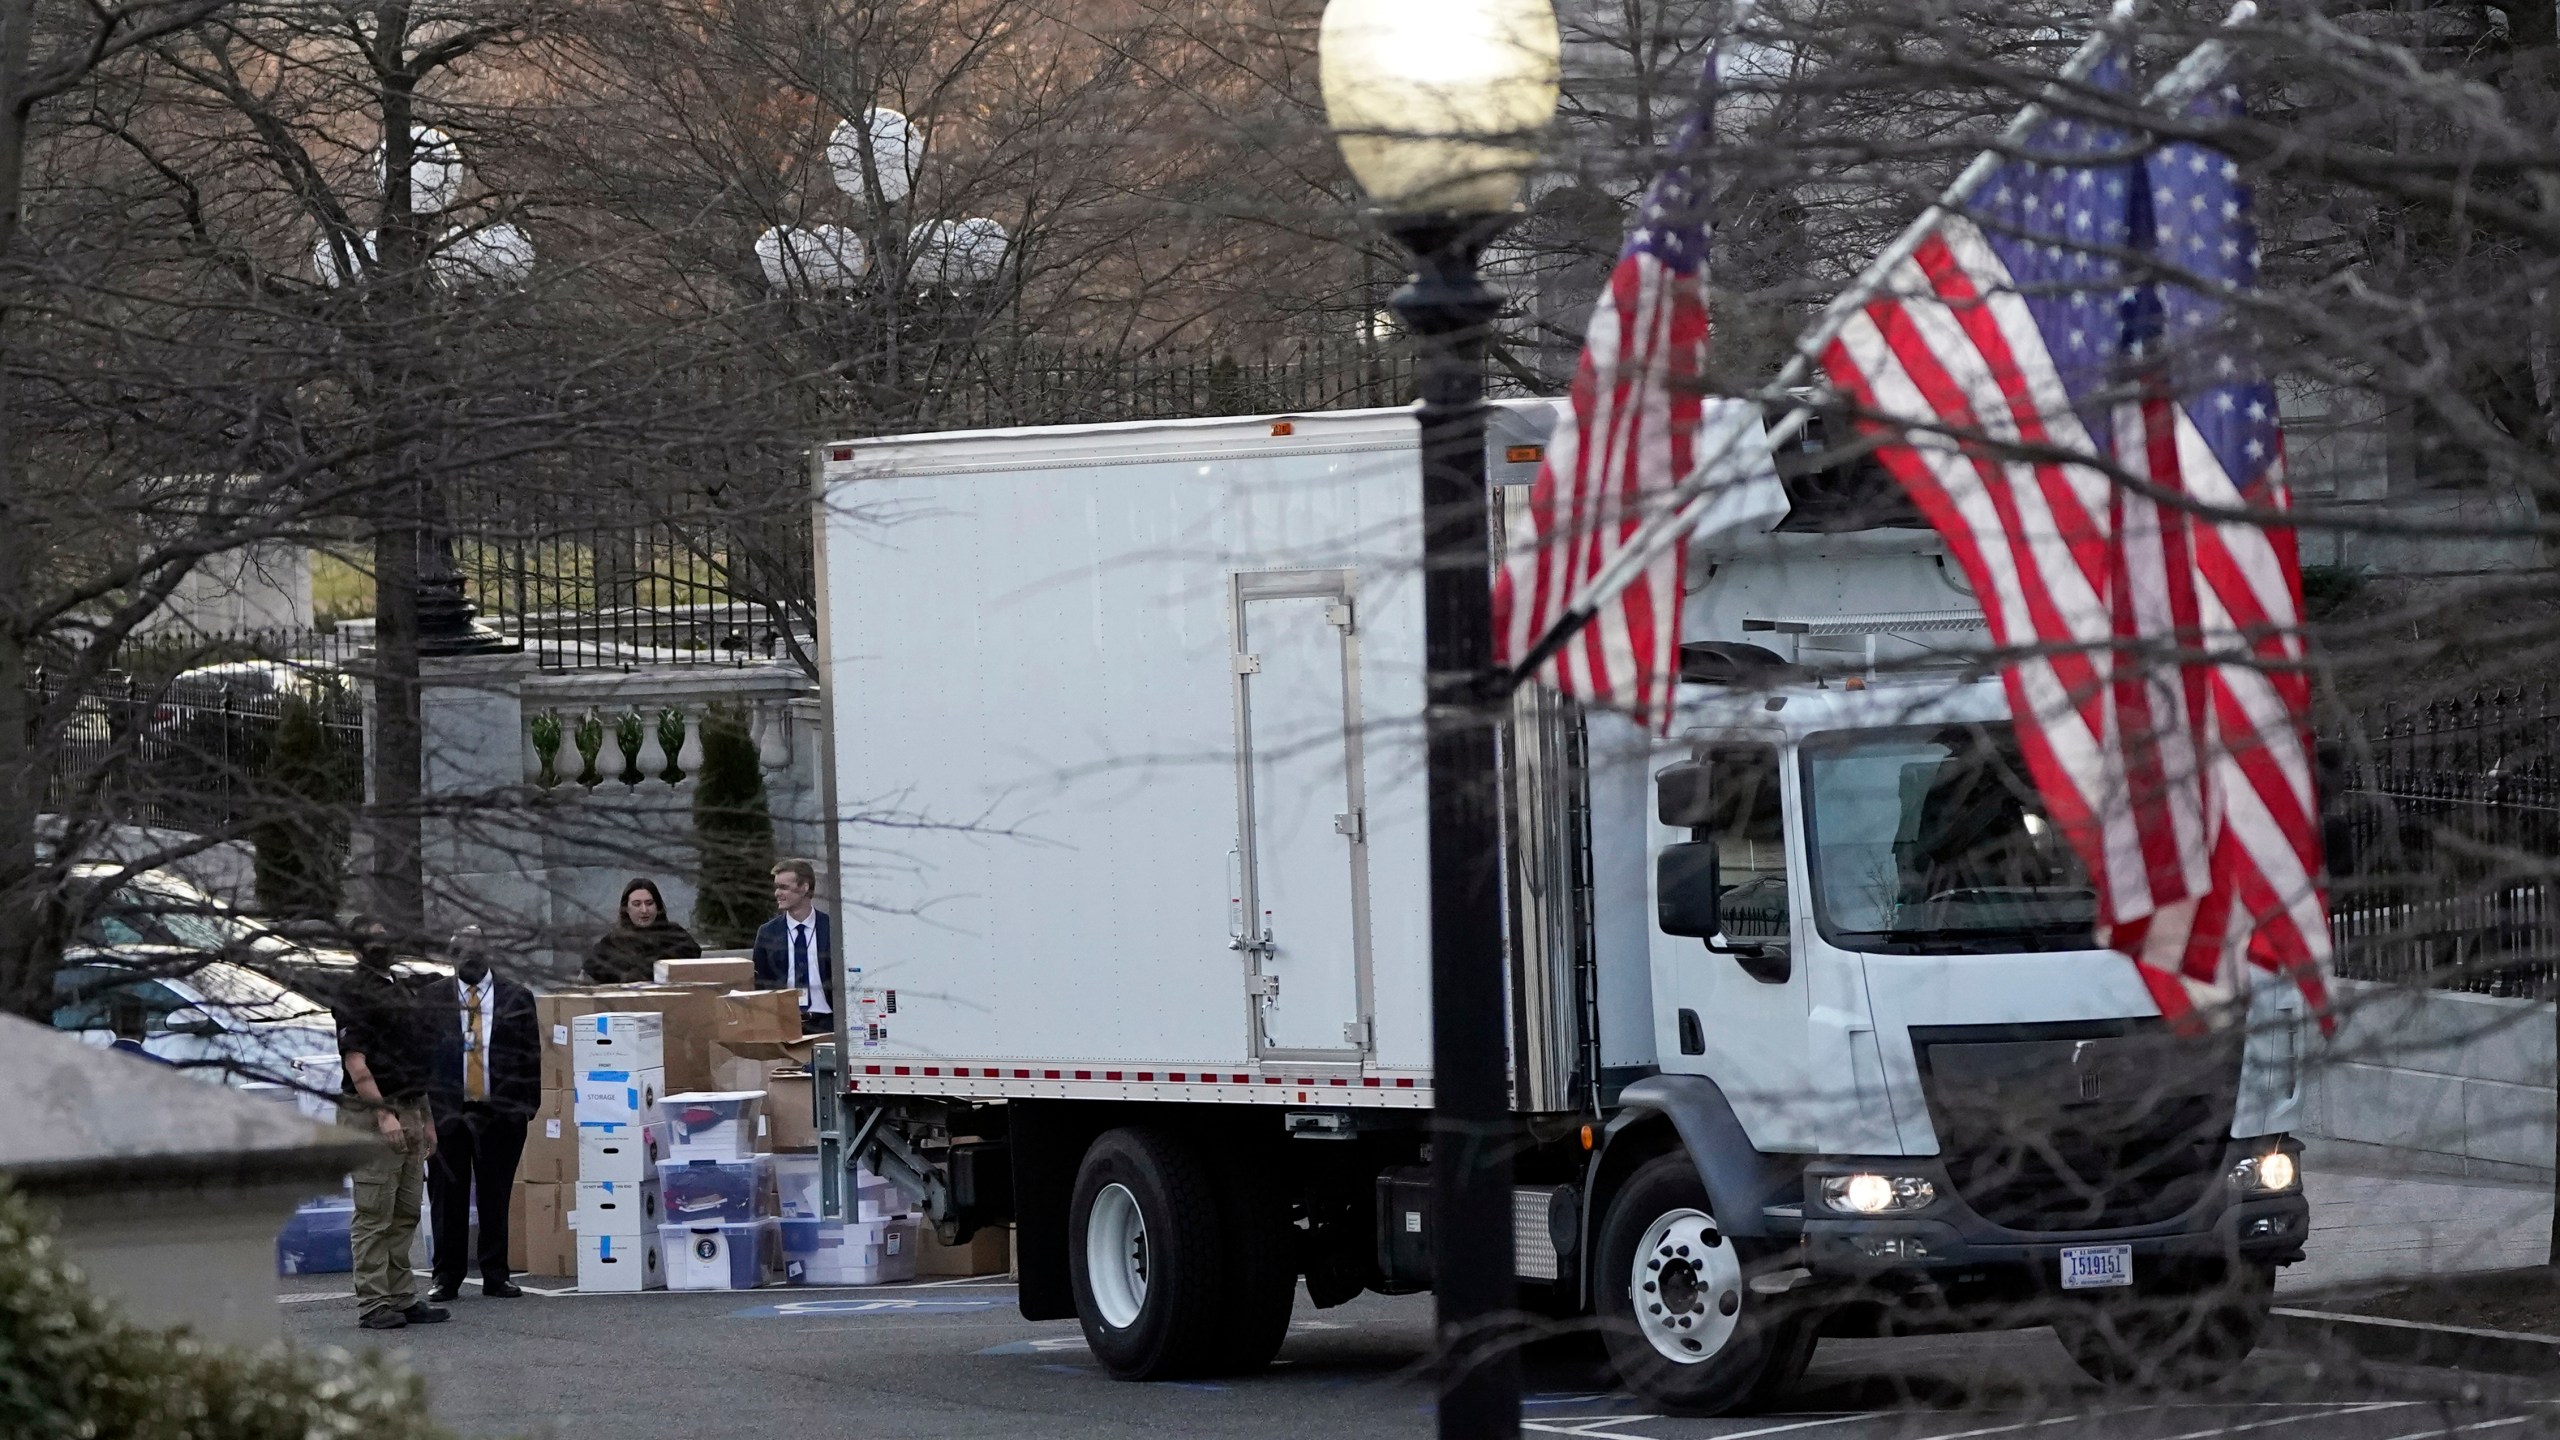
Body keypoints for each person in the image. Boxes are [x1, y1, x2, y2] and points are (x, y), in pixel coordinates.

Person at [333, 917, 447, 1331]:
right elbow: (356, 1062)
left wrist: (426, 1119)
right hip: (372, 1113)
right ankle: (374, 1302)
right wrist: (383, 1114)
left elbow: (414, 1062)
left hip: (411, 1106)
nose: (382, 946)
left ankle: (402, 1295)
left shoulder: (399, 988)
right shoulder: (353, 992)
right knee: (374, 1212)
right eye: (372, 941)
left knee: (405, 1212)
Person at [426, 926, 538, 1302]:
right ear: (450, 956)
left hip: (499, 1111)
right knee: (447, 1195)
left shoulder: (516, 997)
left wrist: (526, 1108)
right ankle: (447, 1276)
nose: (467, 960)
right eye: (460, 953)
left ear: (489, 955)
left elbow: (530, 1056)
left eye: (475, 953)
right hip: (449, 1111)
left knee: (495, 1194)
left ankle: (495, 1273)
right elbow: (421, 1059)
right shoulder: (432, 999)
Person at [750, 858, 835, 1035]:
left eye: (784, 887)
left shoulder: (832, 928)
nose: (777, 893)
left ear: (804, 888)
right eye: (776, 887)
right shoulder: (768, 933)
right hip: (785, 1025)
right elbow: (761, 984)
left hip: (829, 1023)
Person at [583, 877, 702, 985]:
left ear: (657, 906)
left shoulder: (676, 936)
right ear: (626, 909)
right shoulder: (612, 943)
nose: (644, 910)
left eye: (649, 903)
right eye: (636, 904)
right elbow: (591, 973)